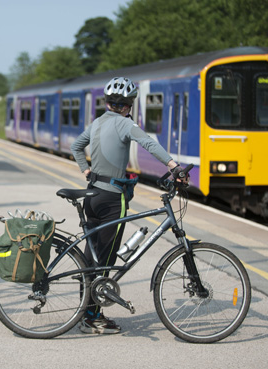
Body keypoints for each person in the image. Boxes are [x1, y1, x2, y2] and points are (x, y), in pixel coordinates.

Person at [71, 77, 188, 334]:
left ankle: (85, 312)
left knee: (91, 259)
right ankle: (93, 318)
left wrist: (86, 169)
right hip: (113, 199)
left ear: (107, 102)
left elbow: (76, 146)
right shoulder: (125, 123)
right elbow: (149, 143)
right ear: (128, 105)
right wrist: (173, 167)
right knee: (106, 261)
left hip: (92, 195)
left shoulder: (97, 123)